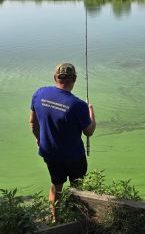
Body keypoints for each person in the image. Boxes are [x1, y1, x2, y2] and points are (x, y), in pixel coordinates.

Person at [29, 63, 96, 221]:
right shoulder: (78, 105)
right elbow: (89, 131)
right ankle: (77, 219)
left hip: (50, 153)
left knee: (56, 185)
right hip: (74, 157)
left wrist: (39, 139)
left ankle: (55, 219)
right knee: (78, 189)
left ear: (55, 77)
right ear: (75, 79)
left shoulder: (39, 93)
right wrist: (91, 111)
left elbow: (32, 122)